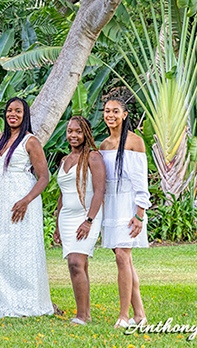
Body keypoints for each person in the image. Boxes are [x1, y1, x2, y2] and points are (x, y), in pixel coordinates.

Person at [0, 97, 53, 318]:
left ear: (25, 114)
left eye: (18, 111)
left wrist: (26, 200)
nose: (13, 114)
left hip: (22, 202)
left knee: (22, 250)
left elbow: (44, 177)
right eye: (9, 110)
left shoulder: (30, 141)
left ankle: (25, 302)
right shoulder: (0, 141)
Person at [99, 93, 150, 328]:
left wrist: (140, 213)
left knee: (123, 256)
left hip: (130, 205)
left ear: (124, 115)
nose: (110, 115)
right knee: (124, 261)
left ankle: (124, 316)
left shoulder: (134, 141)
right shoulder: (104, 145)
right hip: (111, 205)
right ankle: (139, 314)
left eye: (115, 111)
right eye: (107, 111)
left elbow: (141, 180)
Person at [52, 116, 106, 325]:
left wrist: (89, 220)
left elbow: (100, 190)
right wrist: (57, 225)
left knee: (76, 262)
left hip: (87, 216)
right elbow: (62, 195)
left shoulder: (93, 157)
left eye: (78, 131)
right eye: (70, 131)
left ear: (86, 134)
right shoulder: (65, 160)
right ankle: (85, 313)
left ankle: (82, 316)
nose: (73, 135)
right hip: (66, 218)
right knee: (78, 265)